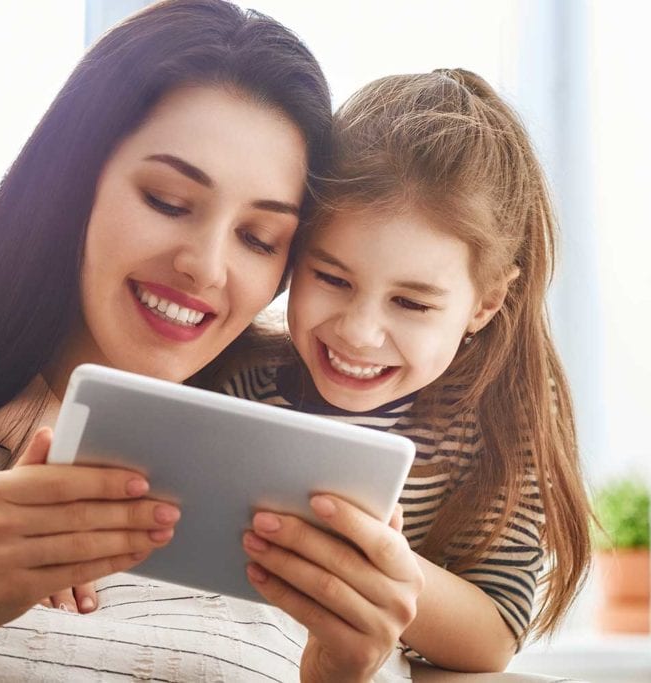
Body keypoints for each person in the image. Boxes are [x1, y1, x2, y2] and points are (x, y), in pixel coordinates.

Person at [0, 2, 423, 681]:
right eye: (168, 200)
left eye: (259, 238)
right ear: (71, 184)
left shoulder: (315, 525)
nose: (206, 265)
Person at [216, 68, 593, 672]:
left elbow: (495, 635)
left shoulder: (500, 422)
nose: (359, 333)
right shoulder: (239, 377)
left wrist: (373, 569)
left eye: (412, 303)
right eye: (331, 278)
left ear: (486, 303)